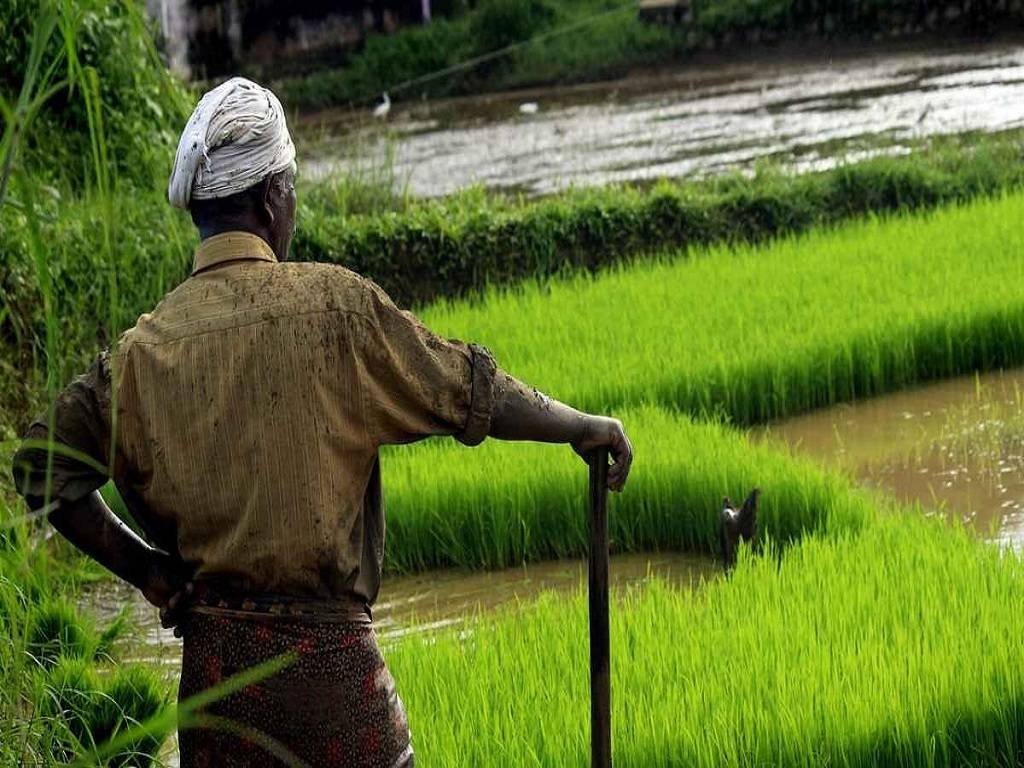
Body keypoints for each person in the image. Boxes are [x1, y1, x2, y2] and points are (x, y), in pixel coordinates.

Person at [10, 77, 633, 768]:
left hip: (217, 695)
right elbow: (468, 388)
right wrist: (581, 424)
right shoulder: (335, 308)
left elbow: (40, 466)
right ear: (275, 197)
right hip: (331, 679)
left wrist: (149, 571)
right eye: (293, 187)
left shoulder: (140, 354)